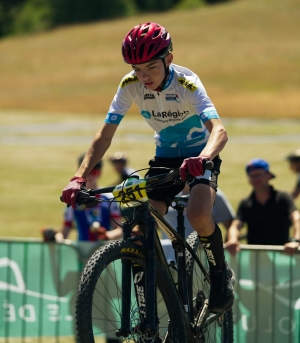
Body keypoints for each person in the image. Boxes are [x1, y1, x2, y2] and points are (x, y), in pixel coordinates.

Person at [61, 22, 234, 313]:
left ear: (169, 59)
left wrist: (202, 158)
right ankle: (153, 290)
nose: (144, 77)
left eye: (151, 67)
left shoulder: (187, 83)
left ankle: (218, 274)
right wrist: (78, 176)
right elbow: (105, 135)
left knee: (198, 213)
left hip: (200, 153)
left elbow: (219, 131)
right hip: (165, 156)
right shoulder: (130, 85)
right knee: (141, 226)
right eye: (136, 69)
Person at [225, 158, 300, 256]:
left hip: (282, 257)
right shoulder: (245, 203)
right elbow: (235, 226)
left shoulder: (283, 198)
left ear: (268, 175)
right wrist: (232, 239)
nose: (255, 179)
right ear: (249, 180)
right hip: (255, 261)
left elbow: (296, 218)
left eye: (258, 175)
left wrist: (296, 240)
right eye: (252, 176)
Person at [42, 153, 123, 243]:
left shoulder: (109, 198)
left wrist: (107, 235)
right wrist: (53, 237)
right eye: (88, 173)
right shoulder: (74, 198)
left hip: (104, 252)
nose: (91, 176)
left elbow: (119, 229)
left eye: (94, 172)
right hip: (82, 252)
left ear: (100, 173)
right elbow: (65, 231)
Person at [163, 186, 236, 239]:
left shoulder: (214, 195)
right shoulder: (165, 195)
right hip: (168, 256)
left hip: (202, 255)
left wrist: (231, 241)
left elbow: (231, 225)